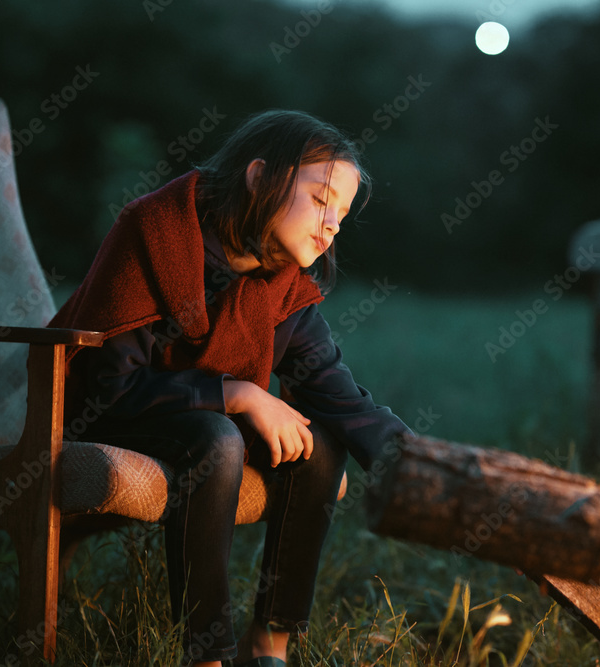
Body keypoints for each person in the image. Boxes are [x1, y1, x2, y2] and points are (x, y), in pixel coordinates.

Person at [48, 110, 413, 667]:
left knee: (320, 445)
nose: (334, 222)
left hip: (190, 418)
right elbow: (110, 387)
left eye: (343, 212)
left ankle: (268, 647)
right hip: (103, 412)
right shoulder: (156, 233)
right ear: (260, 177)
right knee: (218, 436)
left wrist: (416, 463)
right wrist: (238, 394)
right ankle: (207, 655)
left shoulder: (284, 282)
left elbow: (336, 394)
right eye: (321, 200)